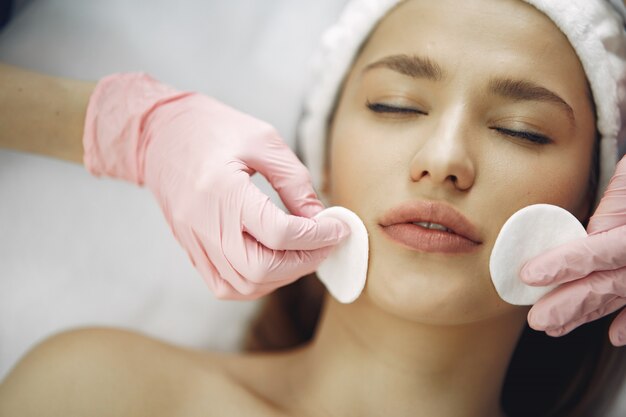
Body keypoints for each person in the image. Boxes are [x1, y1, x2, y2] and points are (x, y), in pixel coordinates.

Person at [1, 0, 626, 416]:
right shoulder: (102, 391)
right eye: (396, 105)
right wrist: (126, 126)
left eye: (522, 130)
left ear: (594, 204)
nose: (444, 158)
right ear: (320, 164)